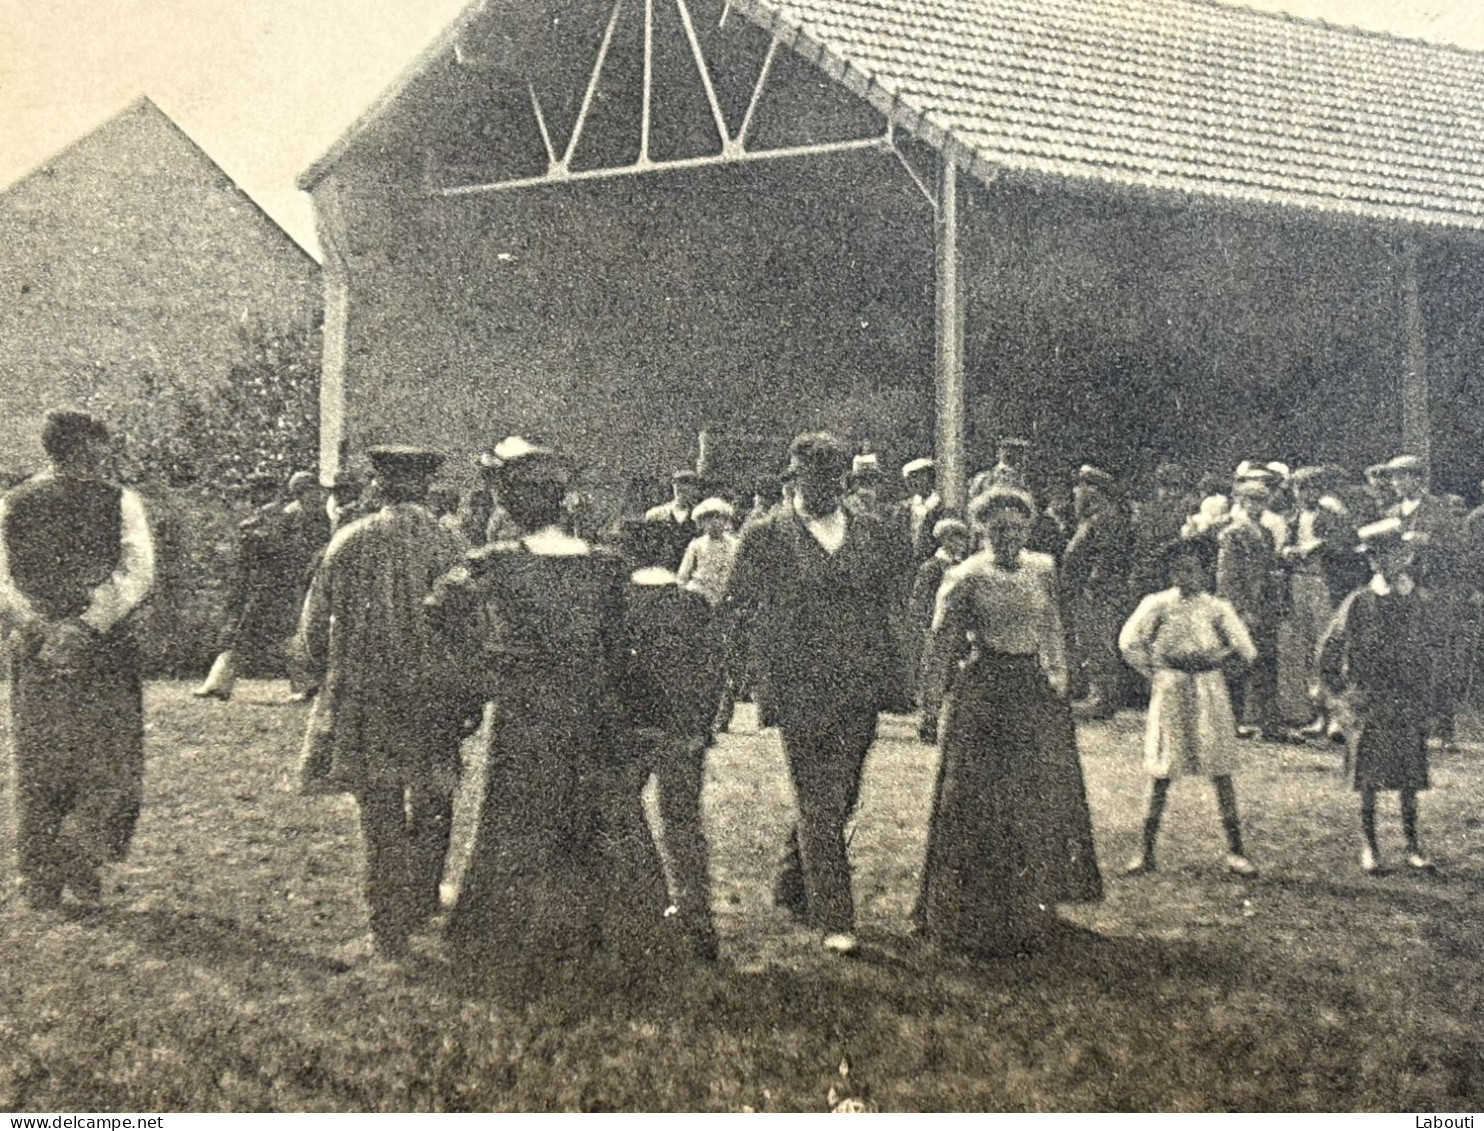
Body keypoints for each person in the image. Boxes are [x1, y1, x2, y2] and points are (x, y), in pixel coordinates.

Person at [428, 437, 672, 989]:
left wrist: (486, 664)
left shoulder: (496, 565)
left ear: (510, 506)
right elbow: (625, 643)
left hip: (529, 708)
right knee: (603, 817)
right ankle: (614, 936)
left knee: (519, 816)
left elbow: (439, 610)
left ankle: (510, 934)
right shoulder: (607, 567)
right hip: (594, 709)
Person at [725, 431, 901, 956]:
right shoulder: (765, 536)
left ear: (843, 480)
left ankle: (790, 882)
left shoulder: (872, 532)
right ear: (794, 478)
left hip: (859, 684)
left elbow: (888, 607)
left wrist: (895, 676)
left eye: (832, 478)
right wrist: (753, 673)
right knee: (818, 798)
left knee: (841, 795)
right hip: (799, 686)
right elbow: (738, 607)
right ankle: (836, 917)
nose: (822, 486)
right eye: (811, 477)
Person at [294, 446, 469, 957]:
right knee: (434, 798)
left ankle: (385, 925)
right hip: (431, 695)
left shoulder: (348, 540)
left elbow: (311, 629)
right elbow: (472, 625)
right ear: (426, 487)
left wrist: (329, 672)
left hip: (366, 697)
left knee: (380, 808)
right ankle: (421, 901)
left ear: (379, 486)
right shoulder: (451, 543)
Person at [917, 487, 1102, 957]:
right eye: (997, 528)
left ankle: (1033, 905)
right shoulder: (963, 577)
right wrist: (930, 705)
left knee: (1036, 797)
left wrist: (1058, 674)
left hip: (1033, 692)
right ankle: (969, 910)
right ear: (981, 530)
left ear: (1028, 529)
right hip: (984, 690)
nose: (1008, 536)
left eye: (1017, 527)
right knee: (979, 800)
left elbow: (1053, 625)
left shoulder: (1043, 568)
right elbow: (940, 644)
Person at [0, 410, 155, 910]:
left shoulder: (12, 502)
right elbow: (137, 574)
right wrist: (85, 626)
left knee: (43, 761)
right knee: (110, 760)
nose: (101, 454)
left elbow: (2, 581)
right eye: (97, 445)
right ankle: (77, 859)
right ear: (84, 448)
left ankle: (46, 876)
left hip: (41, 647)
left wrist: (38, 626)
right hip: (101, 648)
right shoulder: (120, 500)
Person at [1117, 539, 1260, 877]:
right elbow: (1129, 641)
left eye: (1193, 568)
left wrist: (1219, 660)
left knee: (1220, 767)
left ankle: (1237, 851)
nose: (1186, 575)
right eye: (1179, 568)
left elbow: (1246, 649)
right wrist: (1154, 669)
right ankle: (1145, 851)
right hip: (1172, 687)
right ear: (1170, 571)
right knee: (1163, 768)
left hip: (1208, 688)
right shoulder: (1157, 604)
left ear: (1204, 571)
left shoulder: (1216, 608)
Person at [618, 520, 727, 960]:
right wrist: (700, 727)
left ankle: (645, 910)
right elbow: (714, 671)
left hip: (633, 732)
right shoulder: (694, 606)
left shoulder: (619, 606)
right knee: (683, 827)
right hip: (683, 733)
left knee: (624, 817)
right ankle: (698, 923)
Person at [1318, 518, 1437, 875]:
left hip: (1408, 699)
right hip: (1368, 701)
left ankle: (1413, 845)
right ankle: (1370, 845)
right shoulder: (1360, 601)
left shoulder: (1419, 600)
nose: (1386, 562)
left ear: (1406, 556)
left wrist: (1430, 703)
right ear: (1370, 562)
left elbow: (1433, 654)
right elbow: (1328, 650)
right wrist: (1339, 699)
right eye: (1377, 557)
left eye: (1394, 553)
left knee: (1409, 778)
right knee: (1369, 778)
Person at [194, 471, 305, 700]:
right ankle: (219, 684)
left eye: (259, 490)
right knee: (250, 636)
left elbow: (280, 551)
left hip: (270, 587)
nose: (254, 496)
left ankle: (306, 684)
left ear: (270, 491)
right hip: (261, 587)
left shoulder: (281, 519)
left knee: (259, 636)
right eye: (254, 490)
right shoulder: (268, 519)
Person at [1383, 454, 1468, 749]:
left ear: (1417, 479)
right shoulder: (1392, 510)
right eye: (1393, 478)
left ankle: (1444, 730)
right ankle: (1409, 726)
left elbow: (1459, 551)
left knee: (1435, 659)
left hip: (1431, 591)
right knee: (1402, 658)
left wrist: (1429, 542)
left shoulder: (1438, 510)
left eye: (1400, 477)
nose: (1395, 483)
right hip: (1398, 589)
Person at [1217, 477, 1285, 739]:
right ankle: (1230, 721)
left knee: (1266, 664)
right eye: (1251, 500)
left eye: (1262, 500)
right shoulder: (1233, 534)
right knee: (1235, 665)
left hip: (1264, 605)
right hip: (1242, 607)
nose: (1257, 505)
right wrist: (1240, 610)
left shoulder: (1265, 533)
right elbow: (1228, 577)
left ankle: (1269, 724)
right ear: (1240, 501)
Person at [1062, 464, 1130, 719]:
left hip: (1097, 592)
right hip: (1087, 591)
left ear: (1094, 491)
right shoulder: (1094, 518)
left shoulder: (1105, 519)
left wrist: (1093, 584)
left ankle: (1102, 697)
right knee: (1088, 641)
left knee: (1097, 641)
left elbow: (1106, 557)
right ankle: (1096, 693)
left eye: (1080, 487)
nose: (1076, 492)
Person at [906, 518, 972, 702]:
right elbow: (921, 599)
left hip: (958, 627)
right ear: (945, 539)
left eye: (963, 539)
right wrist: (926, 625)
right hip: (936, 627)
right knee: (935, 670)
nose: (961, 544)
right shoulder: (932, 567)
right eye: (957, 538)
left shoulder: (963, 567)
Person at [677, 497, 740, 607]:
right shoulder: (697, 545)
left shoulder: (734, 544)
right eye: (708, 519)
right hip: (700, 596)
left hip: (724, 596)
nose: (714, 522)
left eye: (718, 517)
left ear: (725, 519)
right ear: (702, 523)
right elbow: (683, 575)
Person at [644, 468, 703, 571]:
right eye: (677, 483)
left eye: (687, 483)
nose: (680, 488)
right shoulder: (656, 514)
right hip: (661, 571)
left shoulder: (700, 515)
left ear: (695, 488)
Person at [899, 457, 943, 563]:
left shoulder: (939, 505)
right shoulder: (906, 506)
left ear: (929, 477)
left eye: (917, 477)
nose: (913, 483)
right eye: (909, 480)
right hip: (909, 560)